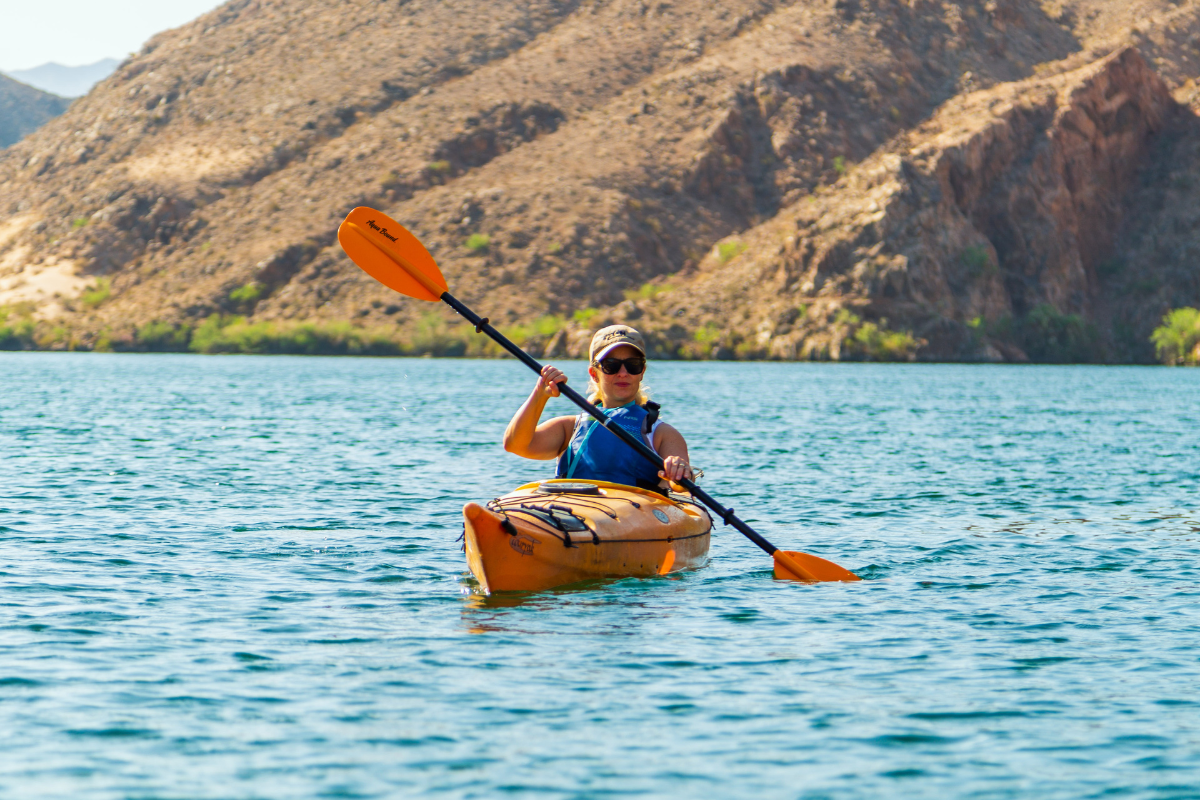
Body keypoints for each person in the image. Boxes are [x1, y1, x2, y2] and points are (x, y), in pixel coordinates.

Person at [503, 324, 693, 490]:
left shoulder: (661, 433)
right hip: (572, 512)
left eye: (633, 365)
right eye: (611, 365)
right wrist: (540, 394)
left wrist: (679, 471)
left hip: (633, 518)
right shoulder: (569, 428)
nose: (623, 373)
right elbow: (515, 445)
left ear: (642, 372)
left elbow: (681, 485)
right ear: (594, 373)